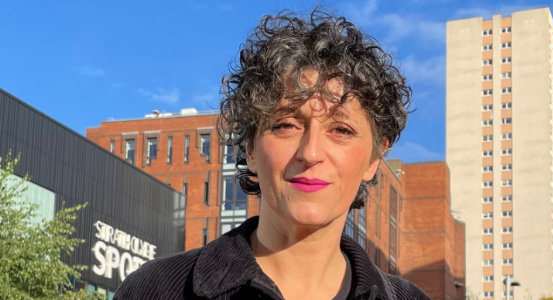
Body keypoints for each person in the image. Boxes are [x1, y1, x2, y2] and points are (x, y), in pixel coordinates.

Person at [114, 8, 430, 300]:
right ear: (250, 147)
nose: (311, 152)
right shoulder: (155, 289)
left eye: (341, 130)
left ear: (374, 159)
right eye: (286, 125)